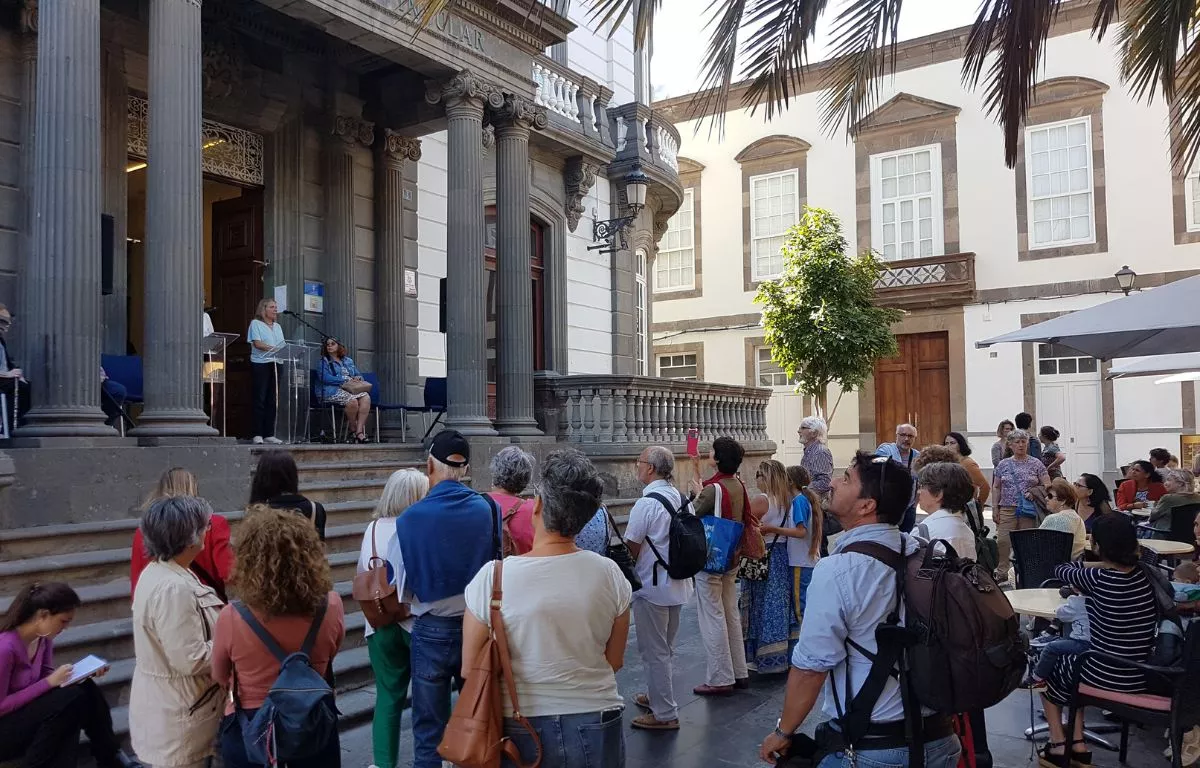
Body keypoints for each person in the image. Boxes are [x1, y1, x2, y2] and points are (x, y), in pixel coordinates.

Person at [758, 452, 961, 768]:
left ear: (867, 505)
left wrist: (784, 731)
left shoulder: (838, 570)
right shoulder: (918, 551)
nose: (835, 481)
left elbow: (811, 668)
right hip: (941, 740)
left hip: (874, 749)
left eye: (847, 478)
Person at [462, 449, 631, 768]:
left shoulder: (493, 578)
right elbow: (615, 660)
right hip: (597, 715)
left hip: (518, 722)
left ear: (537, 505)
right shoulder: (611, 574)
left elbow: (470, 668)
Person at [387, 430, 501, 768]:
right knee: (479, 721)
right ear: (464, 469)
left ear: (429, 466)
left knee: (428, 731)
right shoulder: (487, 508)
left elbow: (401, 588)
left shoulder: (408, 520)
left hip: (431, 629)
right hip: (477, 626)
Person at [213, 508, 346, 768]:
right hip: (313, 719)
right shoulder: (331, 605)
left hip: (251, 725)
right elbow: (331, 651)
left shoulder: (232, 617)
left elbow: (219, 675)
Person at [1038, 514, 1158, 768]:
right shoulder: (1147, 575)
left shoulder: (1099, 579)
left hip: (1104, 673)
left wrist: (1098, 566)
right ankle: (1078, 744)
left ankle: (1060, 744)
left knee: (1052, 671)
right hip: (1140, 672)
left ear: (1099, 547)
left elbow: (1060, 569)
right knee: (1071, 664)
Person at [129, 496, 226, 768]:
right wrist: (232, 642)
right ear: (189, 536)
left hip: (175, 708)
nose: (209, 529)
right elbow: (190, 658)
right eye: (204, 525)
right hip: (181, 715)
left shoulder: (164, 572)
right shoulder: (174, 588)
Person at [0, 582, 140, 768]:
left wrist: (78, 674)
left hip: (27, 714)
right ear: (43, 615)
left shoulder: (43, 639)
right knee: (70, 701)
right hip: (5, 728)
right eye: (63, 621)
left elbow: (45, 678)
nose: (65, 628)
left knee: (84, 688)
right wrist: (50, 682)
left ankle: (111, 757)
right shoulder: (5, 648)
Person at [357, 468, 428, 768]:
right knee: (427, 698)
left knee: (387, 698)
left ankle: (383, 763)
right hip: (416, 619)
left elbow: (363, 571)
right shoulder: (419, 527)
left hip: (380, 621)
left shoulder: (372, 529)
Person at [625, 445, 692, 731]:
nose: (637, 466)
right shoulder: (680, 497)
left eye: (639, 462)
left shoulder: (646, 503)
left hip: (652, 585)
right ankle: (656, 696)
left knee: (655, 651)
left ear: (650, 468)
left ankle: (664, 713)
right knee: (665, 647)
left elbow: (632, 545)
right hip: (677, 582)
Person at [688, 436, 754, 696]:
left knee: (712, 614)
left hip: (712, 557)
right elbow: (712, 490)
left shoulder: (714, 489)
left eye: (712, 452)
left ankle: (720, 676)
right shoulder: (736, 483)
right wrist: (697, 472)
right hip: (732, 554)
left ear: (717, 458)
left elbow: (695, 510)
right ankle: (739, 671)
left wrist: (695, 491)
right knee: (729, 612)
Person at [131, 467, 233, 601]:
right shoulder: (214, 523)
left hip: (158, 604)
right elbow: (229, 572)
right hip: (205, 605)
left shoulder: (144, 530)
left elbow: (138, 580)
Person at [742, 460, 799, 676]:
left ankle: (760, 656)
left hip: (763, 555)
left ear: (765, 477)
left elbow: (747, 525)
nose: (756, 478)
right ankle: (781, 654)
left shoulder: (762, 500)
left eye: (758, 474)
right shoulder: (788, 500)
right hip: (783, 555)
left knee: (760, 604)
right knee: (779, 605)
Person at [991, 428, 1051, 584]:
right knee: (1003, 540)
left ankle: (1026, 571)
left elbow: (1047, 484)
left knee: (1027, 541)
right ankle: (1002, 571)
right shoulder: (1003, 464)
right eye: (1017, 442)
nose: (1021, 445)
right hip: (1007, 507)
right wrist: (995, 508)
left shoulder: (1036, 463)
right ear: (1010, 445)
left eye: (1023, 442)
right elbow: (996, 486)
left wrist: (1035, 491)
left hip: (1029, 509)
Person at [249, 449, 327, 541]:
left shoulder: (258, 513)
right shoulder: (315, 509)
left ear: (262, 478)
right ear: (293, 475)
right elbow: (319, 548)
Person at [783, 466, 822, 631]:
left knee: (801, 607)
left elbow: (800, 531)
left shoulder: (799, 500)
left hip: (800, 560)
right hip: (806, 560)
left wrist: (773, 529)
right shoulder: (804, 499)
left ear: (790, 482)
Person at [914, 461, 977, 560]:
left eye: (921, 486)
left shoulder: (922, 532)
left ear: (939, 494)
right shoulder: (967, 531)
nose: (918, 492)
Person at [317, 337, 372, 443]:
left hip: (349, 389)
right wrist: (343, 380)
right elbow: (324, 378)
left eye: (332, 344)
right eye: (327, 344)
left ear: (339, 346)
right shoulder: (323, 362)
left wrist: (358, 378)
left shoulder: (348, 361)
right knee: (352, 401)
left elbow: (358, 374)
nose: (329, 346)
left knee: (366, 397)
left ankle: (359, 432)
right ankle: (353, 429)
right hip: (331, 390)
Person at [247, 298, 285, 445]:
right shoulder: (255, 324)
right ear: (264, 309)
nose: (275, 309)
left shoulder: (278, 326)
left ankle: (269, 433)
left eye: (276, 307)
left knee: (272, 400)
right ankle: (257, 433)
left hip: (277, 364)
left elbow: (282, 345)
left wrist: (283, 351)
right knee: (260, 399)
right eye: (272, 307)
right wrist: (274, 349)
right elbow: (257, 343)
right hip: (261, 364)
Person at [486, 446, 538, 555]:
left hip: (484, 571)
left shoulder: (474, 503)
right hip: (522, 570)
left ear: (494, 471)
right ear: (526, 478)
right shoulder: (534, 511)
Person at [876, 423, 920, 533]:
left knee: (907, 539)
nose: (906, 439)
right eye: (903, 435)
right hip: (889, 507)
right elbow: (875, 469)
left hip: (909, 508)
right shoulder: (885, 451)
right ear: (897, 435)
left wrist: (915, 505)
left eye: (910, 436)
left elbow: (920, 481)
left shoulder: (917, 456)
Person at [1144, 468, 1200, 539]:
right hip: (1190, 536)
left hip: (1165, 535)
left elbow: (1153, 517)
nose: (1165, 483)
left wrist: (1155, 505)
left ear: (1180, 483)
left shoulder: (1168, 499)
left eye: (1169, 480)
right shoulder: (1198, 497)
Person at [1038, 479, 1087, 559]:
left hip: (1052, 567)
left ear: (1063, 501)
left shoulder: (1054, 519)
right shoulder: (1078, 518)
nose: (1046, 498)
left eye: (1050, 496)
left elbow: (1036, 546)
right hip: (1071, 567)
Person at [943, 432, 989, 509]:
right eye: (946, 443)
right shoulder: (948, 462)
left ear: (960, 445)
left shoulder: (968, 463)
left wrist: (979, 505)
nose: (948, 446)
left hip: (965, 508)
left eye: (952, 443)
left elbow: (985, 487)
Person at [0, 305, 30, 426]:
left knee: (27, 386)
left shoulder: (1, 342)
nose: (6, 328)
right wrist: (7, 374)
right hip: (3, 378)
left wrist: (17, 372)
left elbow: (8, 363)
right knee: (22, 389)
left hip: (4, 378)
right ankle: (13, 425)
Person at [797, 416, 834, 499]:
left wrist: (801, 489)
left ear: (814, 433)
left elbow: (824, 482)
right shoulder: (809, 451)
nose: (798, 431)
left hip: (816, 503)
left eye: (803, 428)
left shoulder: (820, 452)